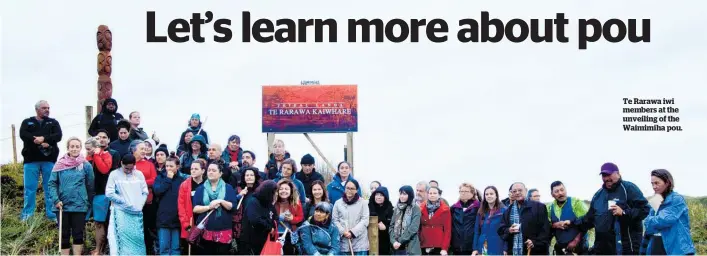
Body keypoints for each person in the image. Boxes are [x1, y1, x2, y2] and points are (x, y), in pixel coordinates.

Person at [573, 162, 650, 255]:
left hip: (626, 249)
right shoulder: (598, 195)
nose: (606, 178)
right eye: (604, 175)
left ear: (617, 173)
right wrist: (571, 223)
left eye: (609, 175)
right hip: (602, 248)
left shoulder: (629, 188)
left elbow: (645, 210)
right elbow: (589, 219)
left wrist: (624, 212)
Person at [47, 137, 95, 255]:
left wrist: (87, 202)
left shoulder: (86, 165)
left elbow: (90, 185)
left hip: (79, 205)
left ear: (80, 148)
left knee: (78, 234)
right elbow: (52, 183)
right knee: (64, 234)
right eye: (72, 146)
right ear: (68, 148)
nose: (74, 149)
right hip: (62, 205)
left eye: (77, 146)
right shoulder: (59, 165)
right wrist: (56, 200)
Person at [19, 100, 63, 222]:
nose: (47, 110)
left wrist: (44, 138)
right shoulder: (27, 122)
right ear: (37, 109)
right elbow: (23, 134)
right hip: (31, 161)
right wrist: (35, 139)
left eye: (48, 108)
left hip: (48, 160)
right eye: (44, 108)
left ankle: (52, 214)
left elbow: (58, 136)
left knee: (49, 187)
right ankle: (28, 215)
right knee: (30, 188)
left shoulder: (53, 122)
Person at [641, 169, 696, 255]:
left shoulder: (677, 199)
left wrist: (652, 221)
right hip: (656, 245)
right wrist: (653, 221)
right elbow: (647, 225)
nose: (654, 186)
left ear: (667, 182)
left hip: (677, 247)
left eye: (657, 183)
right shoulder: (655, 200)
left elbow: (664, 220)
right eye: (652, 183)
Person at [192, 162, 240, 254]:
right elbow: (195, 209)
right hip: (205, 230)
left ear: (220, 173)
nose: (210, 172)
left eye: (214, 170)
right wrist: (209, 207)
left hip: (224, 229)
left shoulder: (228, 188)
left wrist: (221, 201)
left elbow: (233, 207)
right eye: (209, 170)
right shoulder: (200, 189)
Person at [105, 154, 149, 255]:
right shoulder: (114, 174)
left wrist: (140, 204)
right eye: (126, 168)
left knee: (137, 239)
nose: (129, 170)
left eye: (131, 168)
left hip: (136, 213)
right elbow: (109, 193)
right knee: (119, 238)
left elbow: (145, 191)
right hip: (120, 211)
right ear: (121, 164)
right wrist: (124, 202)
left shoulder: (139, 174)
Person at [499, 182, 551, 255]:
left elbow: (546, 230)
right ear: (511, 193)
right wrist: (509, 230)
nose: (517, 193)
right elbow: (501, 229)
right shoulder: (508, 211)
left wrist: (535, 242)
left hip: (535, 251)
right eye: (514, 191)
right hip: (514, 251)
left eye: (520, 190)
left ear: (526, 190)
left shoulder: (539, 207)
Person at [88, 129, 118, 256]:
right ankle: (98, 250)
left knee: (109, 222)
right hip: (95, 192)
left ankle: (107, 250)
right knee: (98, 222)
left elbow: (112, 172)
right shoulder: (91, 153)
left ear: (109, 140)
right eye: (99, 137)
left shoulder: (114, 154)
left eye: (104, 137)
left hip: (109, 192)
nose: (101, 139)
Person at [153, 157, 187, 255]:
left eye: (171, 166)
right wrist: (168, 179)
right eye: (167, 166)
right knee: (164, 248)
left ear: (178, 166)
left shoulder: (182, 180)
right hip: (163, 217)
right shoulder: (160, 178)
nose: (168, 168)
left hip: (177, 217)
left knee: (176, 248)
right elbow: (157, 191)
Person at [131, 140, 158, 255]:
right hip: (131, 202)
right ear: (133, 150)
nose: (144, 151)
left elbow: (154, 180)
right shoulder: (127, 163)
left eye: (145, 148)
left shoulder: (149, 164)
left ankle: (148, 250)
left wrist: (139, 182)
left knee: (146, 227)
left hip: (147, 202)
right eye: (141, 149)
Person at [547, 181, 589, 255]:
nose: (560, 193)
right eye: (556, 191)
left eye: (562, 190)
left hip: (579, 248)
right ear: (552, 194)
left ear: (566, 190)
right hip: (561, 249)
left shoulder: (576, 203)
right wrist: (555, 225)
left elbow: (587, 222)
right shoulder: (549, 208)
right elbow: (547, 225)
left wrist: (575, 241)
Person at [332, 179, 370, 255]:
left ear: (356, 190)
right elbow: (335, 220)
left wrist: (352, 232)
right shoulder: (338, 203)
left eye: (352, 188)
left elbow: (365, 220)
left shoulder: (363, 203)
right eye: (347, 188)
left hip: (360, 243)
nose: (349, 190)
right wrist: (343, 232)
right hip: (344, 242)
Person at [177, 159, 207, 254]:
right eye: (191, 169)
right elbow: (181, 206)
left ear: (203, 171)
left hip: (204, 221)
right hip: (189, 222)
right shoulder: (185, 185)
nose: (193, 171)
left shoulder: (208, 184)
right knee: (189, 250)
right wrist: (186, 224)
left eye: (196, 169)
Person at [241, 180, 278, 255]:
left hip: (264, 239)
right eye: (274, 192)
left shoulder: (268, 203)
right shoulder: (254, 201)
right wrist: (269, 228)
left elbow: (274, 217)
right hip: (252, 240)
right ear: (268, 192)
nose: (276, 194)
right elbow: (255, 220)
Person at [231, 167, 261, 253]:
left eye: (252, 175)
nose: (249, 177)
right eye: (247, 175)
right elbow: (231, 204)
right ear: (243, 177)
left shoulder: (260, 190)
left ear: (256, 177)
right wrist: (239, 196)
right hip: (241, 225)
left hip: (256, 225)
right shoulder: (238, 189)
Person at [473, 186, 507, 256]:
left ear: (496, 195)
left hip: (498, 246)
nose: (489, 196)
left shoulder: (504, 211)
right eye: (487, 194)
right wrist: (475, 248)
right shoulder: (480, 212)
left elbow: (506, 232)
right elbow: (477, 231)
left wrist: (505, 248)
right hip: (483, 246)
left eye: (491, 194)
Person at [275, 179, 305, 255]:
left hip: (289, 233)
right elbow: (269, 217)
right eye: (281, 189)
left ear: (291, 191)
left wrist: (292, 219)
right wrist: (280, 218)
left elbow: (300, 217)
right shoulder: (274, 202)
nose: (283, 191)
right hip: (275, 234)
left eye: (286, 189)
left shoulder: (295, 202)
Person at [389, 185, 422, 255]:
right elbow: (391, 226)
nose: (402, 196)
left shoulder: (415, 208)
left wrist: (400, 241)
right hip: (396, 247)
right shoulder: (396, 208)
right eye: (400, 193)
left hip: (410, 246)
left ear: (410, 195)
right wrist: (393, 241)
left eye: (404, 194)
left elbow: (413, 228)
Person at [419, 186, 452, 255]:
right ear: (427, 195)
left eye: (434, 193)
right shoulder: (420, 208)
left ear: (439, 195)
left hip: (439, 245)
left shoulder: (445, 209)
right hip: (423, 244)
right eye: (430, 193)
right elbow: (418, 228)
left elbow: (447, 230)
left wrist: (444, 248)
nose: (432, 195)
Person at [450, 182, 480, 255]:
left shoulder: (478, 207)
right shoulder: (454, 208)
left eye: (466, 191)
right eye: (461, 191)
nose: (463, 193)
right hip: (456, 246)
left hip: (472, 246)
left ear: (472, 193)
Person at [369, 186, 394, 255]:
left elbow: (393, 226)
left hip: (384, 242)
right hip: (370, 242)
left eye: (381, 195)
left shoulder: (390, 209)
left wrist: (386, 227)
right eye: (377, 194)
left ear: (385, 197)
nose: (378, 197)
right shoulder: (369, 207)